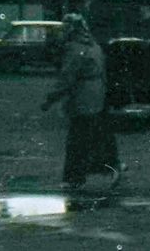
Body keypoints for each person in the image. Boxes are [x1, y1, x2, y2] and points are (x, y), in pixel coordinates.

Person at [41, 13, 124, 189]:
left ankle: (74, 176)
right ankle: (110, 166)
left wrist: (50, 99)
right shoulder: (93, 45)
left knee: (78, 137)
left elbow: (67, 76)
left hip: (83, 96)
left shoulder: (75, 48)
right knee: (97, 133)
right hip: (97, 93)